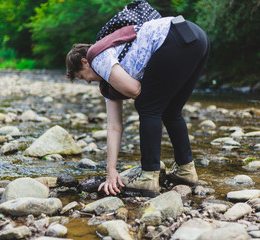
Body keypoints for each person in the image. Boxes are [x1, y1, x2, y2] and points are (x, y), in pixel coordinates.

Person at [66, 15, 210, 197]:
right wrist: (111, 170)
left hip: (174, 38)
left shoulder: (97, 56)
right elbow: (114, 126)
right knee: (171, 111)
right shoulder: (110, 65)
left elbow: (134, 90)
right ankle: (186, 170)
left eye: (81, 77)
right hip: (196, 36)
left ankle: (149, 176)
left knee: (147, 106)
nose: (87, 82)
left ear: (84, 62)